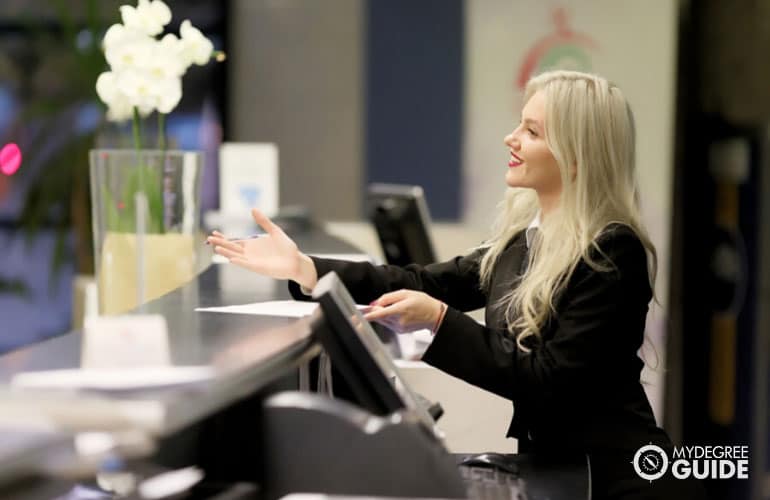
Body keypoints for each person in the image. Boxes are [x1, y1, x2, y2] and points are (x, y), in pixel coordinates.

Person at [207, 70, 704, 500]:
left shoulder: (612, 252)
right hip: (558, 468)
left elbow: (552, 383)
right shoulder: (525, 241)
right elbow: (422, 280)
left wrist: (440, 322)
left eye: (530, 131)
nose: (511, 139)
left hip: (618, 477)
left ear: (574, 157)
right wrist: (304, 268)